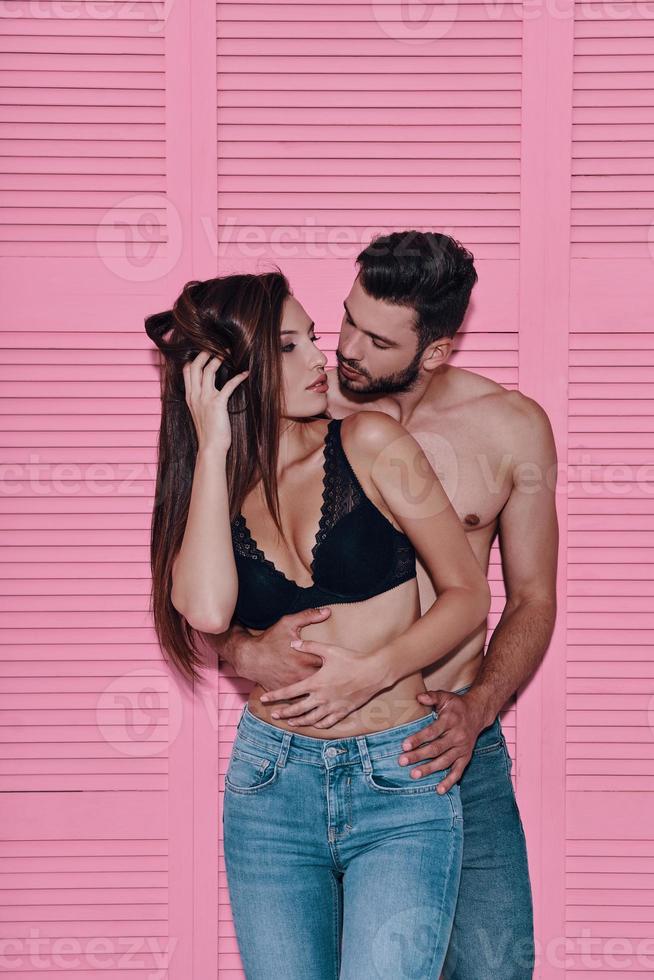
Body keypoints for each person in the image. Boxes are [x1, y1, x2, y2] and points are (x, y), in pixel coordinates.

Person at [214, 231, 559, 980]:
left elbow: (531, 596)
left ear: (433, 352)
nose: (344, 350)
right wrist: (244, 652)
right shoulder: (289, 406)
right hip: (312, 751)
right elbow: (206, 582)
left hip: (451, 740)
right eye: (345, 320)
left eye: (376, 339)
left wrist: (481, 707)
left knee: (496, 968)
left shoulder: (510, 428)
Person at [144, 269, 491, 979]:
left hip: (398, 777)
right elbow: (206, 613)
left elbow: (467, 595)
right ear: (231, 373)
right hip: (273, 786)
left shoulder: (371, 443)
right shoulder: (214, 484)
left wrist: (373, 670)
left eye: (312, 339)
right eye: (289, 346)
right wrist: (212, 447)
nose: (320, 359)